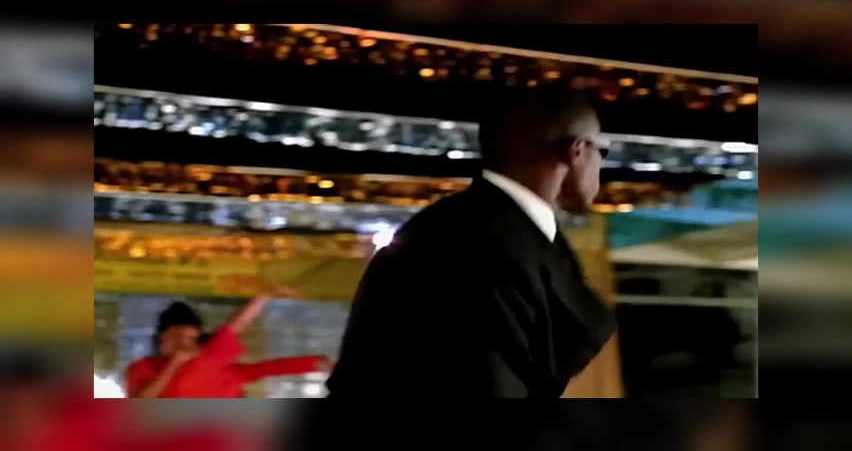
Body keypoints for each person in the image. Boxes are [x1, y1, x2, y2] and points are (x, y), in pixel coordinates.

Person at [326, 86, 616, 397]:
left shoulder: (461, 228)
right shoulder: (477, 248)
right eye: (602, 150)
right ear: (576, 151)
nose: (601, 164)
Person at [126, 291, 330, 398]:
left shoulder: (211, 361)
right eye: (175, 338)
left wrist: (318, 364)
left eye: (188, 339)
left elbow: (238, 328)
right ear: (161, 340)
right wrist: (174, 364)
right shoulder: (144, 368)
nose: (181, 344)